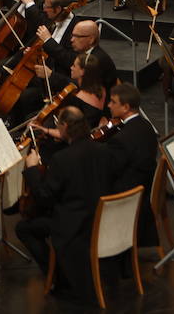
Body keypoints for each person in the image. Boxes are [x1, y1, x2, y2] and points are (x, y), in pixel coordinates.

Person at [16, 106, 116, 303]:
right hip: (99, 217)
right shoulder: (104, 150)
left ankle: (58, 278)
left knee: (24, 228)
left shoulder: (62, 159)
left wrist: (33, 169)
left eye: (58, 125)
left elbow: (45, 197)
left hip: (75, 226)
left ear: (65, 126)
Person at [102, 83, 159, 247]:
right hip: (142, 187)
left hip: (125, 195)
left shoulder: (121, 139)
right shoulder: (146, 126)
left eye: (113, 102)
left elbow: (112, 170)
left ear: (126, 107)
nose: (109, 105)